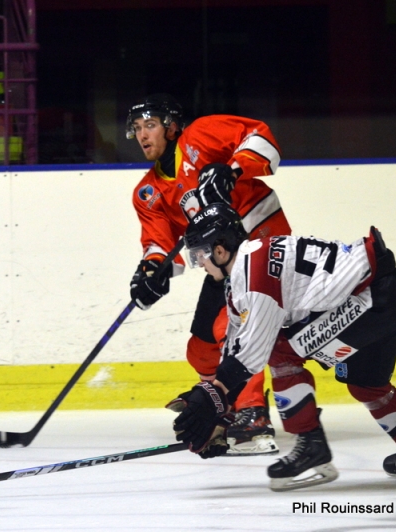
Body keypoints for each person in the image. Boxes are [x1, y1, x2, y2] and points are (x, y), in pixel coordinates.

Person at [173, 203, 396, 491]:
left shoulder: (252, 273)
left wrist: (212, 395)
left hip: (371, 299)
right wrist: (221, 412)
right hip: (387, 292)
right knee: (366, 383)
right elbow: (236, 347)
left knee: (279, 351)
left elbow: (253, 353)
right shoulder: (246, 269)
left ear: (220, 250)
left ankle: (310, 445)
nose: (200, 265)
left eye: (200, 256)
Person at [126, 93, 291, 455]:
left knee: (228, 325)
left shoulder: (201, 135)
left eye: (150, 125)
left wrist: (232, 170)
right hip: (220, 261)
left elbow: (262, 139)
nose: (142, 135)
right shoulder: (148, 192)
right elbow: (160, 245)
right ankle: (219, 405)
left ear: (170, 127)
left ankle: (253, 415)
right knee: (200, 346)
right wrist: (152, 272)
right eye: (137, 128)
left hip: (261, 240)